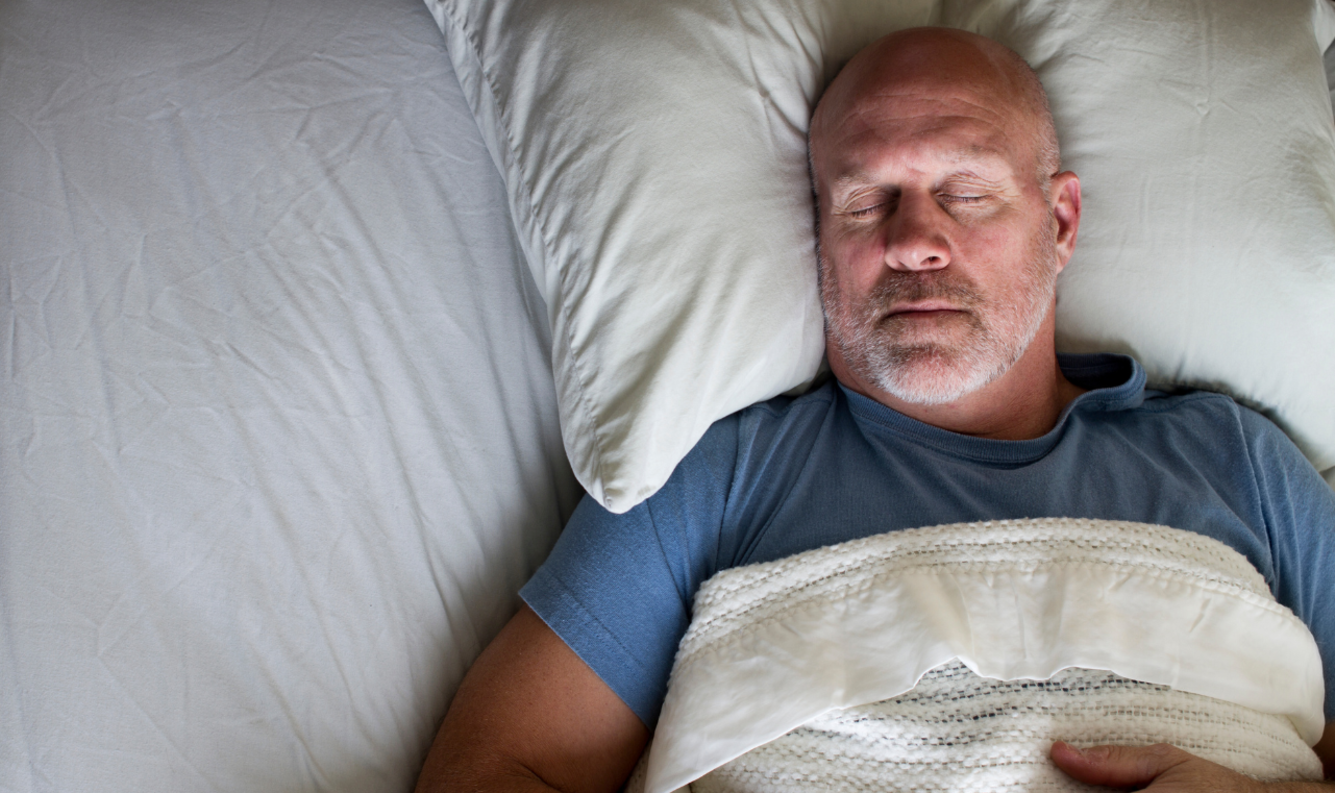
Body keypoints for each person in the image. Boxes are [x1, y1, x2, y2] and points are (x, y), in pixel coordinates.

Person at [415, 27, 1335, 793]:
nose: (914, 242)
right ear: (820, 235)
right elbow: (491, 765)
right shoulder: (721, 478)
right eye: (866, 203)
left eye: (965, 192)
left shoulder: (1243, 464)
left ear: (1060, 224)